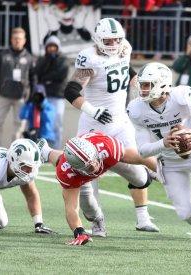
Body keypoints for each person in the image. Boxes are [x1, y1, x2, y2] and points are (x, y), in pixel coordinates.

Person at [63, 17, 159, 236]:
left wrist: (141, 85)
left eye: (117, 39)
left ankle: (144, 212)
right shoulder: (89, 58)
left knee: (138, 174)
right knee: (87, 182)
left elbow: (126, 70)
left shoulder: (125, 48)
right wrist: (92, 110)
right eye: (108, 40)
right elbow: (71, 90)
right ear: (97, 39)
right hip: (93, 128)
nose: (113, 44)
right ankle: (97, 222)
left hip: (120, 122)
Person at [127, 62, 191, 252]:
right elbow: (142, 150)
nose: (143, 89)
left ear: (162, 84)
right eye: (142, 84)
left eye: (148, 84)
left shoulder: (182, 98)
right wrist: (163, 143)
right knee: (184, 212)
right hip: (169, 162)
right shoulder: (137, 110)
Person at [37, 132, 158, 245]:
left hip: (103, 154)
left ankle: (46, 151)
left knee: (142, 180)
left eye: (94, 161)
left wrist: (161, 172)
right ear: (77, 168)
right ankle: (97, 221)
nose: (95, 166)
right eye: (90, 167)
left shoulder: (106, 148)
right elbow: (71, 208)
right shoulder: (68, 173)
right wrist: (79, 232)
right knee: (89, 209)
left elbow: (141, 156)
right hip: (81, 174)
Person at [0, 27, 35, 147]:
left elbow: (33, 77)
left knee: (19, 124)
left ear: (24, 40)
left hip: (20, 97)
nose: (17, 41)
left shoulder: (29, 58)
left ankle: (16, 148)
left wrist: (32, 94)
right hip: (4, 95)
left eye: (19, 39)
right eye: (15, 39)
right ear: (11, 39)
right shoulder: (3, 55)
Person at [34, 35, 69, 149]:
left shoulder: (63, 59)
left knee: (57, 124)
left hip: (58, 96)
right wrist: (48, 60)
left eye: (54, 46)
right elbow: (37, 74)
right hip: (44, 96)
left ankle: (56, 149)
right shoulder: (42, 59)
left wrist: (46, 79)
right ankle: (43, 150)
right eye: (50, 46)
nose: (52, 49)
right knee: (42, 123)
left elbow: (60, 75)